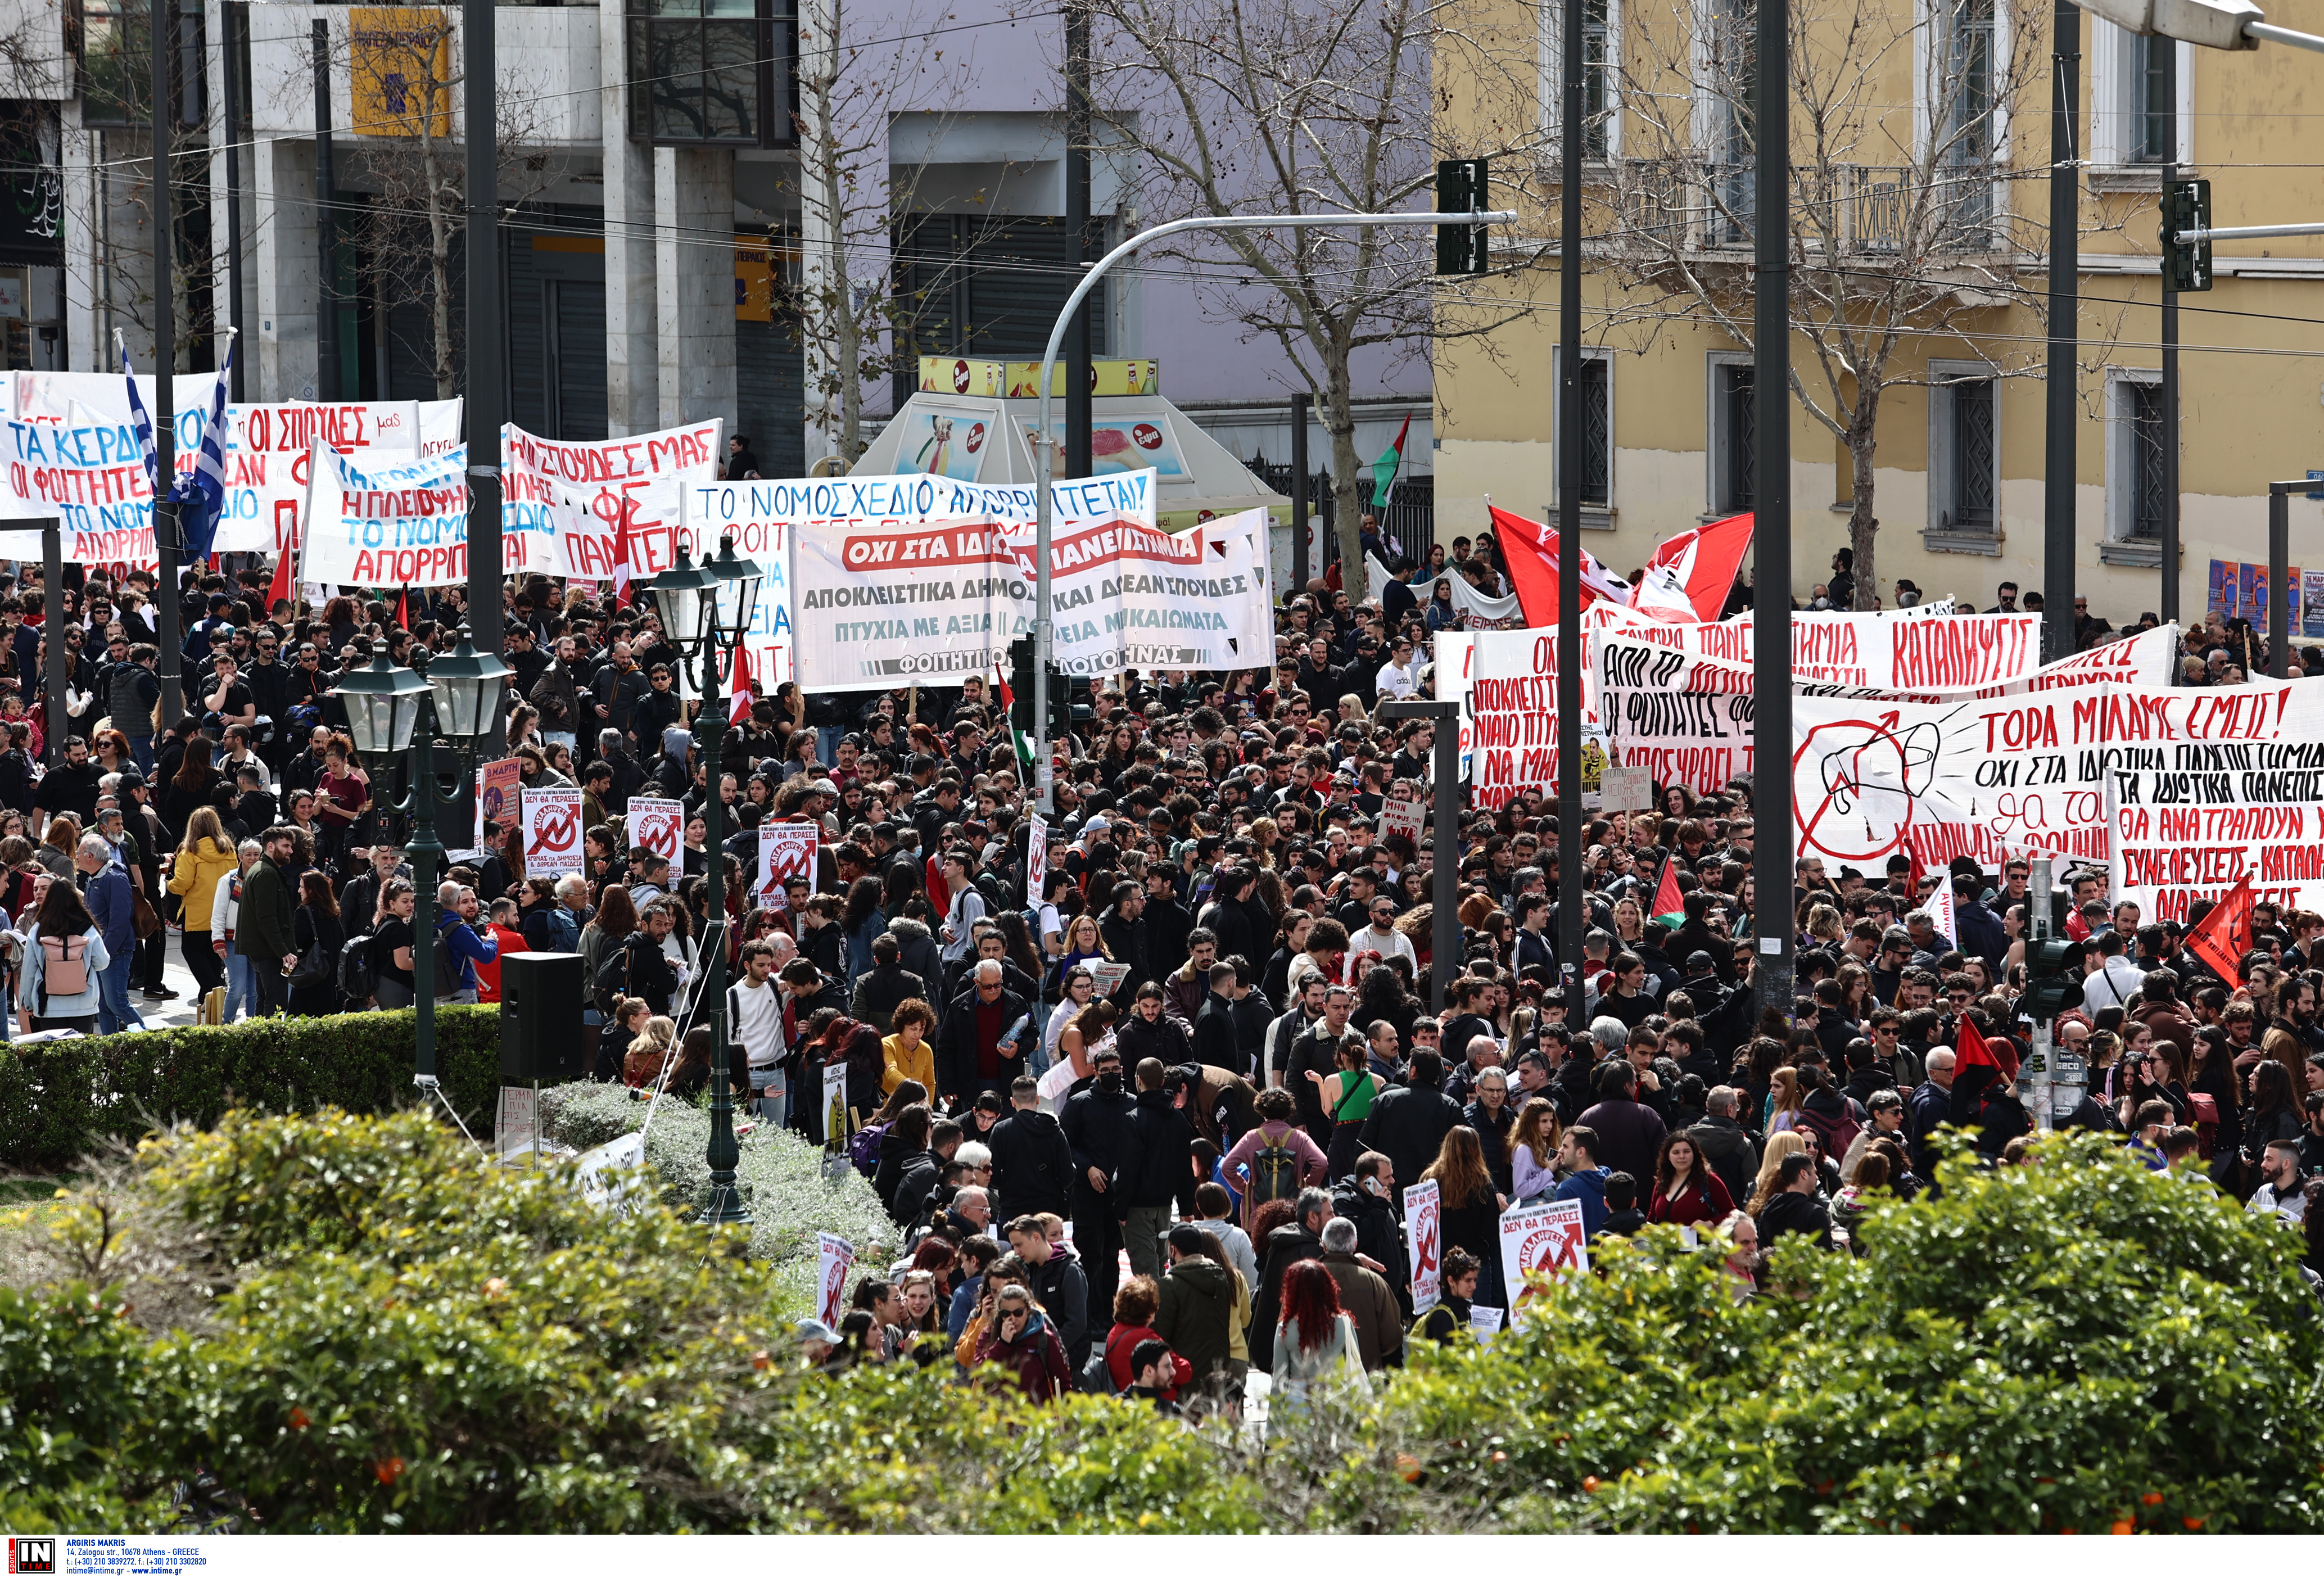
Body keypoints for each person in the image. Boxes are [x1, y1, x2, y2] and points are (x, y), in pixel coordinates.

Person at [1421, 1124, 1507, 1308]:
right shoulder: (1481, 1181)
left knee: (1444, 1322)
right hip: (1475, 1262)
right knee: (1478, 1325)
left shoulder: (1429, 1179)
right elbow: (1490, 1229)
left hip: (1440, 1264)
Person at [1268, 1259, 1368, 1410]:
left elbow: (1279, 1382)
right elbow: (1355, 1364)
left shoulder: (1286, 1329)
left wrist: (1272, 1428)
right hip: (1334, 1399)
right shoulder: (1344, 1323)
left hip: (1298, 1403)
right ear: (1328, 1288)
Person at [17, 876, 108, 1034]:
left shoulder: (39, 928)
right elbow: (103, 963)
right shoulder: (88, 927)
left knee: (53, 1055)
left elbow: (29, 969)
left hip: (48, 1005)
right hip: (84, 1005)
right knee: (80, 1056)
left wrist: (28, 1002)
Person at [165, 804, 238, 1002]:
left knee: (192, 951)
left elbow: (182, 884)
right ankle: (208, 996)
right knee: (213, 954)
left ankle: (214, 987)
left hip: (198, 911)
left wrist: (169, 883)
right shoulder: (229, 850)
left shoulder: (190, 852)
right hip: (223, 911)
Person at [1416, 1247, 1480, 1344]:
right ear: (1451, 1281)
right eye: (1468, 1281)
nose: (1474, 1286)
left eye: (1475, 1280)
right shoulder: (1442, 1317)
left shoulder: (1463, 1309)